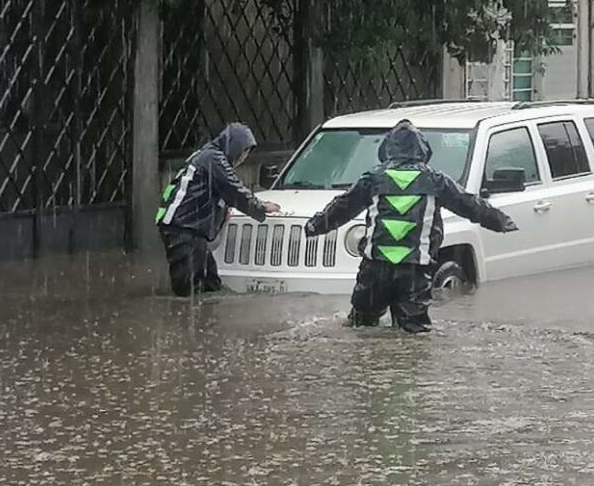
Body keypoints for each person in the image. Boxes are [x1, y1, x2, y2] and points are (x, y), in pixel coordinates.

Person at [304, 119, 517, 332]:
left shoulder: (373, 179)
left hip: (375, 269)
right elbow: (469, 205)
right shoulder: (435, 180)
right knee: (414, 333)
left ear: (386, 149)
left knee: (360, 327)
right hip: (414, 271)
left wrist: (316, 225)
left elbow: (343, 207)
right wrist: (500, 221)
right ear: (423, 150)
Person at [156, 122, 279, 297]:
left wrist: (222, 213)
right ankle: (186, 313)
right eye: (243, 152)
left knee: (210, 283)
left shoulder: (210, 157)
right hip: (183, 229)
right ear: (235, 147)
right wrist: (261, 207)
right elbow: (233, 189)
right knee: (189, 290)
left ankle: (204, 312)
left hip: (188, 229)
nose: (243, 158)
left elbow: (217, 192)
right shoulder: (213, 158)